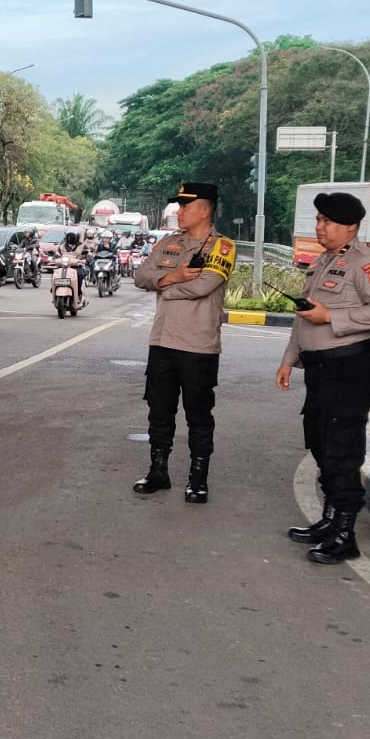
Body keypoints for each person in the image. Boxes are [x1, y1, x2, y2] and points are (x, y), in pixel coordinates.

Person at [275, 193, 370, 563]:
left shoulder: (367, 263)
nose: (320, 227)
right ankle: (329, 519)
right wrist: (289, 359)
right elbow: (303, 318)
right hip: (319, 369)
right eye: (318, 220)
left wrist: (331, 317)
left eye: (327, 221)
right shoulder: (322, 262)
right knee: (319, 441)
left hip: (349, 368)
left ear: (351, 227)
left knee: (341, 449)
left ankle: (345, 533)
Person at [132, 183, 237, 504]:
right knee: (159, 411)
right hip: (162, 341)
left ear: (204, 210)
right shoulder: (169, 243)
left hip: (198, 345)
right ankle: (158, 471)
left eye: (185, 207)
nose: (179, 212)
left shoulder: (222, 247)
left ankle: (198, 477)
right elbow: (140, 276)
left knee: (198, 415)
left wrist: (163, 287)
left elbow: (203, 286)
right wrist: (173, 277)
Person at [58, 230, 89, 306]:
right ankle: (54, 288)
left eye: (73, 236)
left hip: (77, 266)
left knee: (79, 274)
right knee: (56, 273)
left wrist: (86, 259)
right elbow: (57, 255)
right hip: (64, 266)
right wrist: (53, 258)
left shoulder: (83, 246)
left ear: (77, 237)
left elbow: (88, 255)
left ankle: (79, 293)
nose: (71, 238)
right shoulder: (62, 246)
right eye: (69, 236)